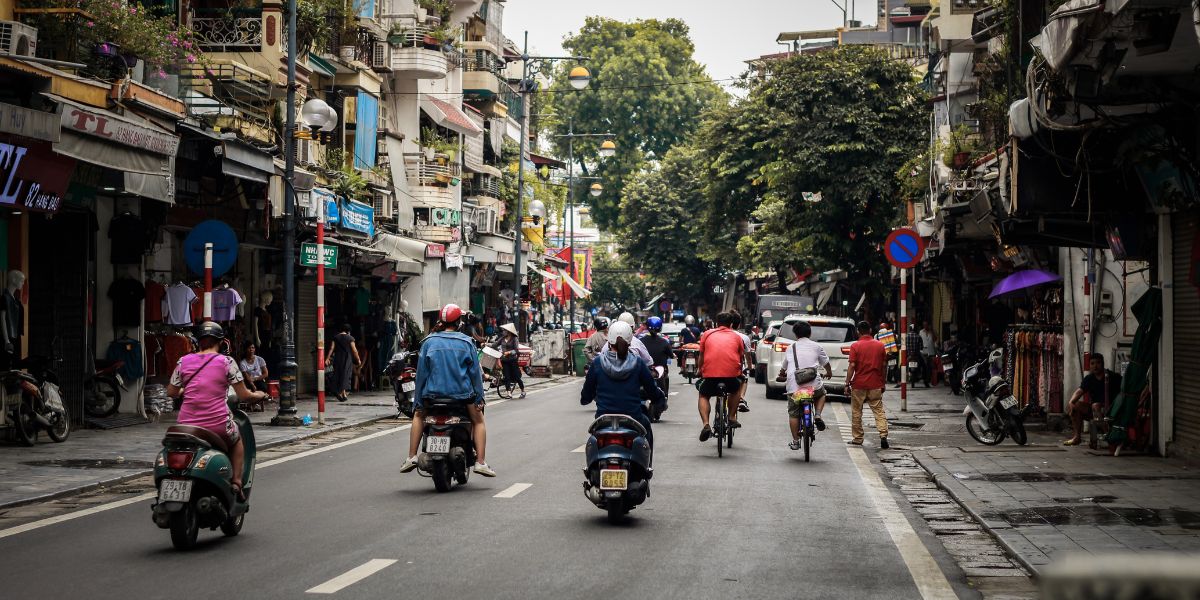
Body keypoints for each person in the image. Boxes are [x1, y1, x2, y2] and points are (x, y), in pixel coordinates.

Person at [166, 322, 268, 499]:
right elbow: (244, 396)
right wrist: (259, 394)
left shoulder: (183, 361)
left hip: (185, 425)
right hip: (217, 425)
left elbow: (171, 392)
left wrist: (185, 390)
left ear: (198, 342)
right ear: (220, 342)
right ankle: (236, 482)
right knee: (237, 441)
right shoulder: (227, 362)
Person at [400, 304, 494, 477]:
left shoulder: (428, 342)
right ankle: (480, 462)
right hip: (462, 396)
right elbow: (475, 375)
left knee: (419, 415)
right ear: (459, 322)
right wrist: (480, 398)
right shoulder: (467, 343)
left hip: (432, 396)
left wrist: (418, 400)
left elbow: (421, 375)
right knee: (479, 420)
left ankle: (412, 456)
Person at [581, 320, 664, 452]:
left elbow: (586, 395)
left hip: (603, 420)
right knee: (647, 425)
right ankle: (647, 468)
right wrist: (659, 399)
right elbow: (652, 390)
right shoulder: (638, 363)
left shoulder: (597, 363)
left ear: (609, 340)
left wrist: (586, 398)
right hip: (634, 418)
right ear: (630, 340)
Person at [696, 312, 748, 441]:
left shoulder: (707, 334)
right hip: (731, 375)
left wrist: (699, 370)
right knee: (736, 390)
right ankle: (731, 417)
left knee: (703, 395)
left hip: (710, 376)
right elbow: (740, 357)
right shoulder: (737, 337)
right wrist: (739, 371)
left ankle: (706, 424)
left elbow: (701, 356)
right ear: (731, 324)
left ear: (716, 323)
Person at [782, 321, 832, 449]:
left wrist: (781, 374)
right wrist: (829, 372)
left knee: (793, 413)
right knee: (822, 394)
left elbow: (784, 367)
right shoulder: (816, 346)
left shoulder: (790, 348)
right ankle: (818, 414)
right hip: (813, 387)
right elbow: (825, 362)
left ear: (795, 334)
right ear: (810, 333)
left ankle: (795, 441)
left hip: (795, 389)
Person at [1063, 353, 1122, 447]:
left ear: (1103, 363)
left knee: (1096, 406)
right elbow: (1079, 391)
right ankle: (1077, 437)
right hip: (1094, 411)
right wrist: (1071, 402)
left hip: (1111, 410)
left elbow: (1123, 393)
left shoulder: (1113, 377)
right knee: (1076, 405)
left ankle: (1108, 435)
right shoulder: (1089, 379)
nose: (1095, 366)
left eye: (1098, 363)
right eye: (1092, 363)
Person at [847, 320, 889, 449]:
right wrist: (883, 382)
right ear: (870, 330)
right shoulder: (880, 346)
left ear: (858, 332)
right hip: (875, 383)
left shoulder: (855, 346)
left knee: (856, 412)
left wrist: (847, 382)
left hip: (859, 384)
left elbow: (852, 366)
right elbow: (884, 365)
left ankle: (858, 438)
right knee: (878, 411)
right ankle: (883, 435)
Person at [640, 317, 673, 412]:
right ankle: (664, 396)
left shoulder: (641, 341)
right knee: (665, 377)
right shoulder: (664, 342)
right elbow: (671, 355)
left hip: (646, 370)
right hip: (659, 371)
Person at [326, 322, 361, 402]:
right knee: (346, 375)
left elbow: (331, 348)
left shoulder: (336, 337)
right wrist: (358, 360)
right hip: (347, 358)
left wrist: (327, 358)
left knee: (338, 374)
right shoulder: (350, 338)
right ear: (348, 331)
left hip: (337, 358)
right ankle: (339, 392)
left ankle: (343, 394)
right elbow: (354, 351)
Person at [492, 322, 525, 398]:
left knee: (517, 376)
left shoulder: (514, 339)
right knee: (506, 376)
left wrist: (509, 352)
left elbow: (516, 350)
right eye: (503, 330)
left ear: (509, 331)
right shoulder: (502, 338)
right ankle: (508, 392)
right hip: (504, 361)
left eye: (505, 330)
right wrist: (485, 344)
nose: (503, 331)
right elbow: (495, 344)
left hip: (512, 360)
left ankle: (523, 390)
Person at [730, 311, 753, 413]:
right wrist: (750, 366)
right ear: (739, 324)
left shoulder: (714, 335)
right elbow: (748, 356)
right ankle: (741, 398)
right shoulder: (744, 338)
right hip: (736, 369)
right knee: (744, 378)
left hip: (715, 370)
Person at [919, 321, 936, 387]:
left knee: (931, 366)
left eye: (926, 325)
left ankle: (930, 379)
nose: (925, 326)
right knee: (925, 366)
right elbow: (919, 340)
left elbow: (935, 339)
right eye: (924, 325)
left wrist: (932, 331)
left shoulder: (932, 332)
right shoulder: (921, 332)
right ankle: (925, 379)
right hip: (923, 351)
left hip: (931, 351)